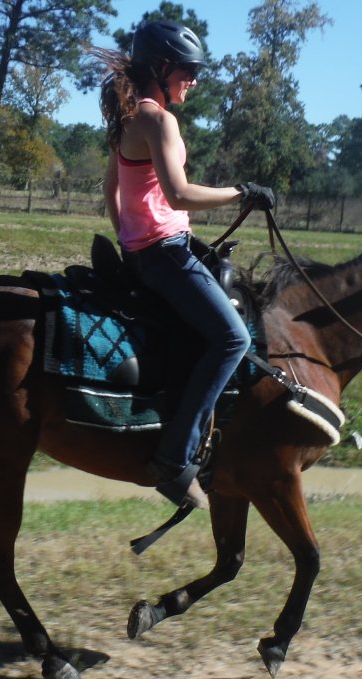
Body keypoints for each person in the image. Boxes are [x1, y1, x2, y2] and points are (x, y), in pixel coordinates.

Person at [95, 20, 276, 510]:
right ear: (162, 67)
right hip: (167, 254)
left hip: (143, 253)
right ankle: (174, 460)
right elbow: (179, 193)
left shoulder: (127, 116)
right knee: (234, 339)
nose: (193, 81)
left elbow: (113, 191)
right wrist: (244, 193)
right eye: (189, 71)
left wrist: (127, 237)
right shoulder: (159, 121)